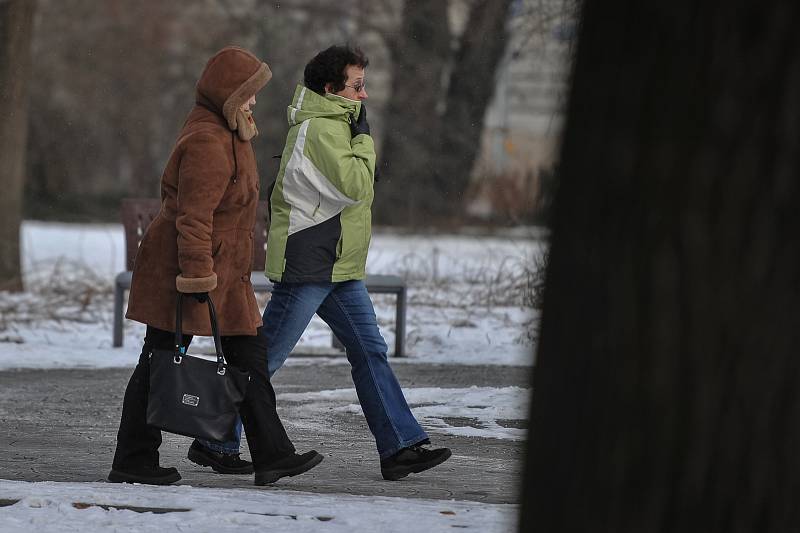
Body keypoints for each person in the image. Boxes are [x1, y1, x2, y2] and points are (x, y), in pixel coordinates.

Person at [190, 44, 452, 481]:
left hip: (338, 267)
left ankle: (399, 447)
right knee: (266, 358)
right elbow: (356, 187)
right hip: (310, 264)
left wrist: (359, 139)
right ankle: (214, 439)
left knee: (370, 351)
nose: (364, 96)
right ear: (331, 89)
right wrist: (365, 139)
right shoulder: (319, 129)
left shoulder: (336, 126)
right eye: (357, 86)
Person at [109, 46, 323, 486]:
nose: (254, 102)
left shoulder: (230, 131)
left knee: (250, 357)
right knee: (161, 358)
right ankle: (133, 459)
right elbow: (193, 217)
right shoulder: (207, 139)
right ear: (227, 94)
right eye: (248, 93)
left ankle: (273, 454)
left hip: (227, 273)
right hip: (191, 271)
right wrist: (197, 278)